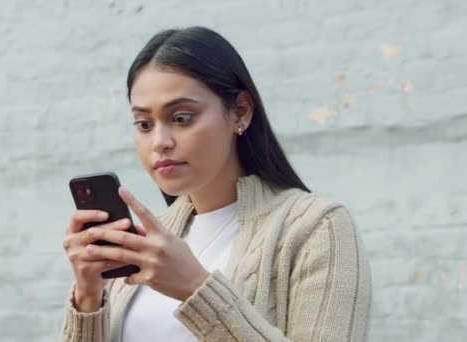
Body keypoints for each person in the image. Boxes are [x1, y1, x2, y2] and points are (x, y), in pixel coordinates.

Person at [60, 26, 371, 342]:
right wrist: (88, 296)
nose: (159, 142)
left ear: (241, 112)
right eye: (144, 124)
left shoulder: (318, 228)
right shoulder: (141, 244)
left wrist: (196, 289)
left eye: (181, 117)